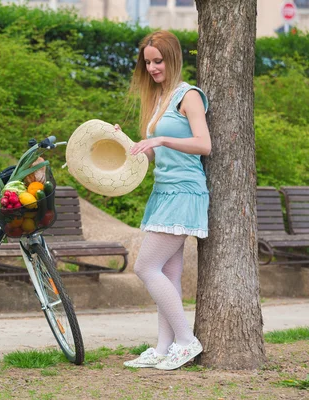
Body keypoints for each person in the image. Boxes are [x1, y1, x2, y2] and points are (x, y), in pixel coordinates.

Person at [119, 30, 211, 370]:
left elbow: (204, 145)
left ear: (172, 58)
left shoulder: (188, 96)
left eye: (158, 61)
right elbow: (157, 154)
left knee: (145, 267)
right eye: (148, 62)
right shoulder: (158, 98)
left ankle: (187, 341)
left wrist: (162, 141)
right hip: (163, 192)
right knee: (168, 273)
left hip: (185, 192)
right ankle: (163, 347)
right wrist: (129, 142)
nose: (153, 68)